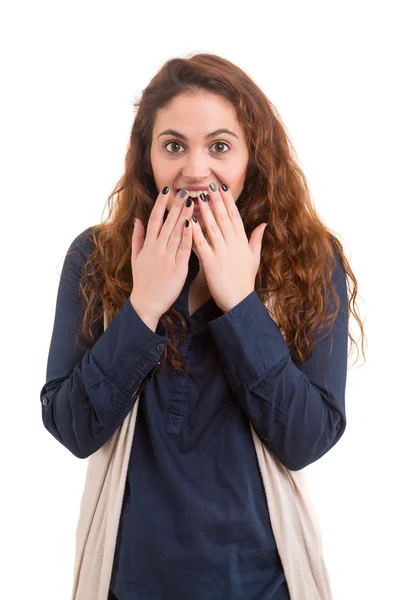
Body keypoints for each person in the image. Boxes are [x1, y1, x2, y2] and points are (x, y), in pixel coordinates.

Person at [40, 53, 366, 600]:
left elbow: (307, 439)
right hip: (126, 586)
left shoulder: (310, 257)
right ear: (147, 157)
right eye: (173, 145)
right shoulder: (95, 256)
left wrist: (239, 303)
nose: (195, 169)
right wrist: (143, 307)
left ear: (251, 156)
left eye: (219, 146)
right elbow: (72, 428)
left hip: (266, 586)